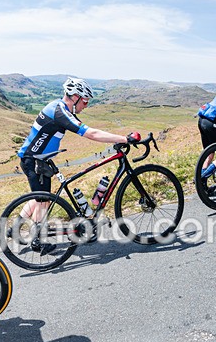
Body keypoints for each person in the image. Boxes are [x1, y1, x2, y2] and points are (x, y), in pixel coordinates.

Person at [15, 77, 139, 252]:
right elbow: (92, 134)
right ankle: (37, 240)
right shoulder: (60, 112)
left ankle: (14, 228)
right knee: (42, 201)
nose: (86, 105)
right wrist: (125, 138)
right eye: (85, 101)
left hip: (36, 158)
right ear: (75, 97)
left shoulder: (58, 106)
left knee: (41, 197)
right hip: (33, 160)